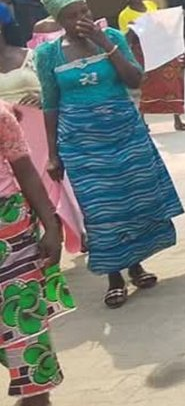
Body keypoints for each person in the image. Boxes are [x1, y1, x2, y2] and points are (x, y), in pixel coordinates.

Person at [33, 0, 183, 308]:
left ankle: (136, 265)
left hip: (124, 133)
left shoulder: (112, 37)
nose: (81, 19)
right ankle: (114, 275)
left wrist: (105, 44)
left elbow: (135, 79)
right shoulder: (48, 54)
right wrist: (53, 154)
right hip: (81, 143)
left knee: (132, 200)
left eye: (84, 10)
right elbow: (50, 103)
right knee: (101, 209)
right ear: (59, 21)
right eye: (72, 15)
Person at [0, 99, 73, 404]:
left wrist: (51, 226)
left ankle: (36, 397)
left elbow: (25, 169)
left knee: (23, 320)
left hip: (9, 228)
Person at [0, 8, 83, 256]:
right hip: (7, 139)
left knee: (50, 187)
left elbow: (55, 91)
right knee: (20, 190)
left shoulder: (32, 56)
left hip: (38, 132)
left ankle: (64, 234)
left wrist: (40, 100)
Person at [116, 0, 185, 132]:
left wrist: (176, 16)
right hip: (143, 53)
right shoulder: (125, 15)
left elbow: (162, 22)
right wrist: (133, 28)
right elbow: (126, 39)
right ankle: (142, 120)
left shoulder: (150, 5)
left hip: (161, 48)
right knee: (148, 86)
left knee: (172, 81)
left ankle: (177, 119)